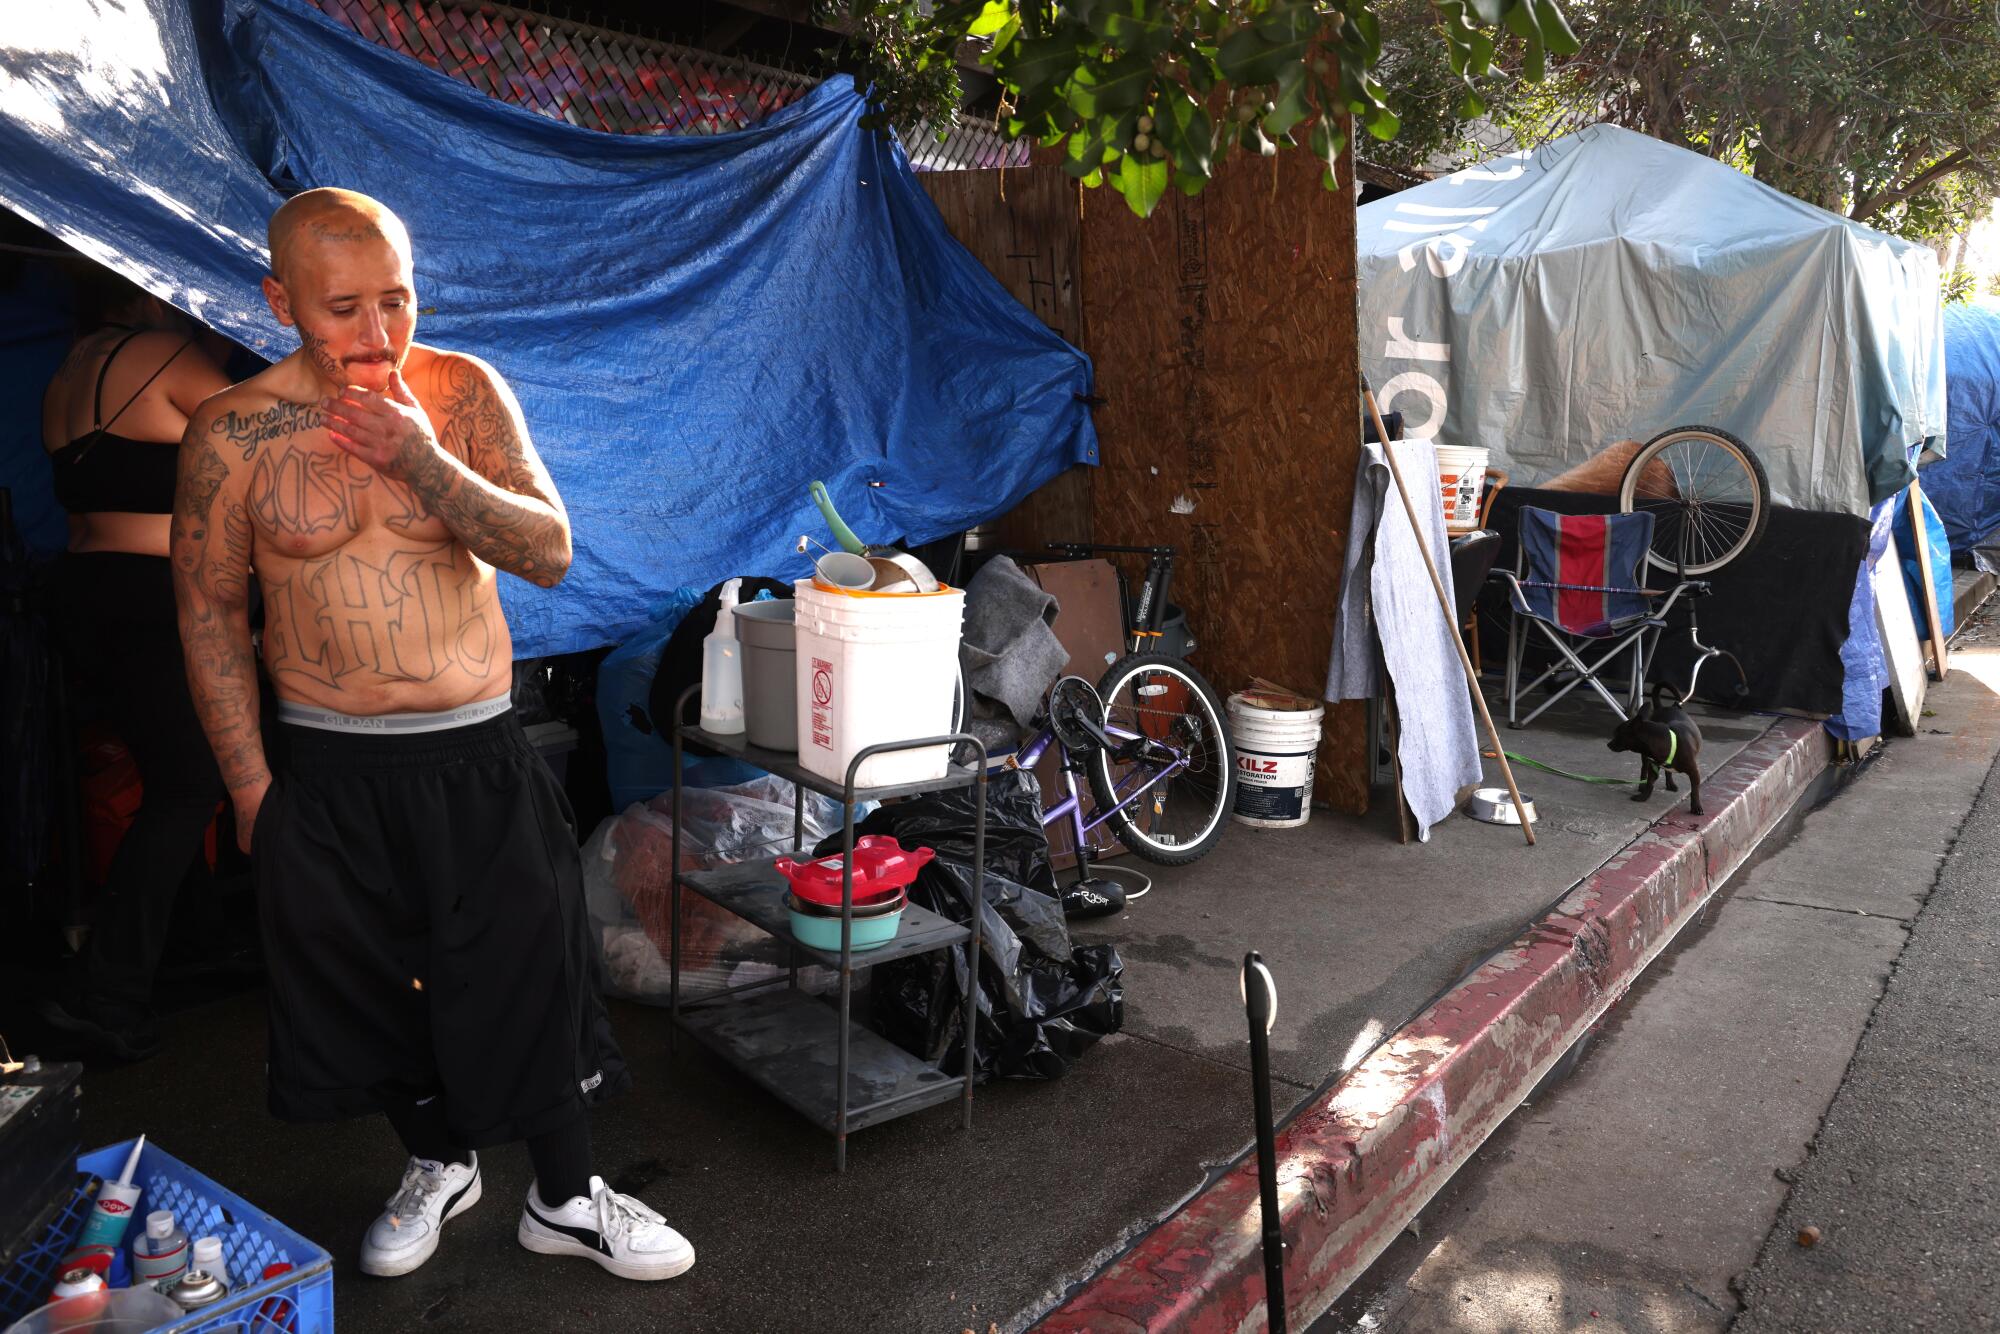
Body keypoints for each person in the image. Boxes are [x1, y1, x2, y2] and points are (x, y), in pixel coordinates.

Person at [171, 188, 691, 1281]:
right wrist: (252, 786)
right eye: (345, 306)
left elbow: (548, 549)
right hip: (324, 761)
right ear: (279, 299)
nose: (378, 333)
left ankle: (566, 1193)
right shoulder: (232, 431)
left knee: (526, 975)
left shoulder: (459, 393)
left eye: (397, 300)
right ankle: (438, 1158)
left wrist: (422, 460)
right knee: (364, 988)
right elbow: (210, 609)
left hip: (474, 747)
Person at [37, 265, 234, 1061]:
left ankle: (190, 943)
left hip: (88, 595)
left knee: (171, 776)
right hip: (155, 601)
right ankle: (107, 996)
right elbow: (257, 442)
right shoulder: (162, 351)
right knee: (192, 784)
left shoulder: (68, 370)